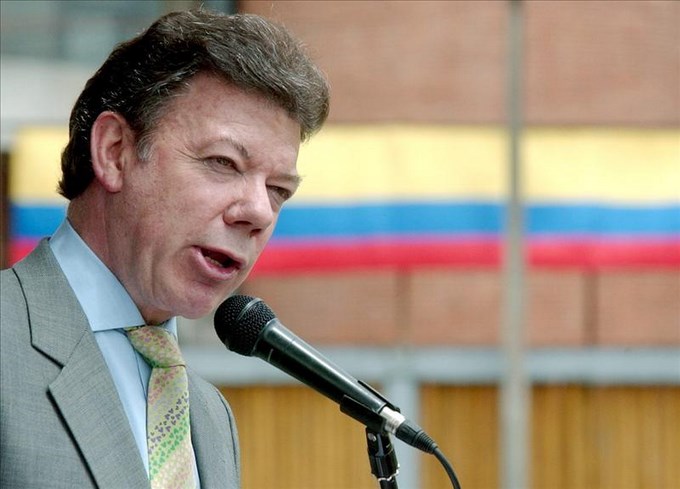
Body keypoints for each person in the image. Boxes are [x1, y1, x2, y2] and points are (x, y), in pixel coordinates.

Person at [0, 8, 329, 489]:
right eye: (223, 162)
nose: (259, 212)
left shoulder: (210, 417)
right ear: (115, 152)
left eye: (279, 190)